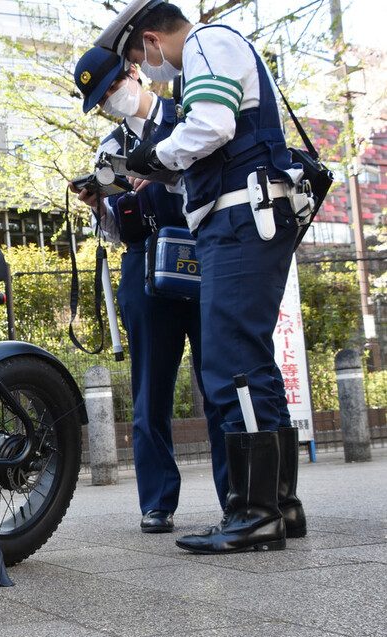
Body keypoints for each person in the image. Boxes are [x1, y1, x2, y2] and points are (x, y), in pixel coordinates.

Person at [95, 0, 307, 554]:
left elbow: (212, 124)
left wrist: (151, 160)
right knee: (252, 359)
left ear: (151, 43)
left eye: (142, 56)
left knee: (228, 362)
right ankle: (280, 506)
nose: (149, 69)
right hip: (246, 214)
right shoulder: (213, 50)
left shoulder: (206, 44)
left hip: (239, 217)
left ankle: (252, 511)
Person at [72, 47, 227, 535]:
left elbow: (214, 183)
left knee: (220, 385)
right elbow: (121, 229)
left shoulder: (189, 115)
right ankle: (157, 501)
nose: (110, 102)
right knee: (149, 395)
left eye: (113, 88)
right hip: (144, 267)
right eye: (100, 100)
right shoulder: (109, 146)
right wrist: (101, 206)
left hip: (203, 256)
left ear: (135, 72)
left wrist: (160, 172)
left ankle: (238, 498)